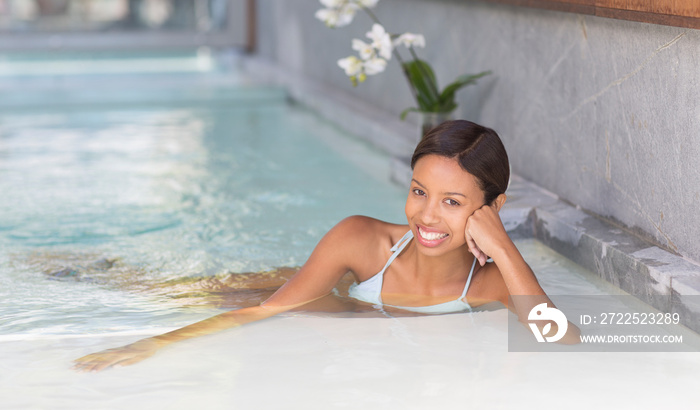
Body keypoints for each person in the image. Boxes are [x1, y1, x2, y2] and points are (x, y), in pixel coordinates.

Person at [74, 120, 580, 372]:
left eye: (452, 202)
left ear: (491, 205)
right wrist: (151, 345)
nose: (426, 214)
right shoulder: (361, 239)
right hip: (322, 286)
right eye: (419, 192)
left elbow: (563, 341)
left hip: (338, 302)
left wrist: (504, 245)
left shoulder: (491, 283)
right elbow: (264, 310)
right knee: (160, 289)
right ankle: (81, 268)